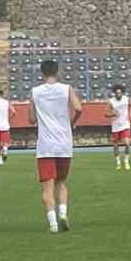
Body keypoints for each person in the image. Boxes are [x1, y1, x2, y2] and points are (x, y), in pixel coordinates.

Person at [31, 58, 82, 233]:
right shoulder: (66, 89)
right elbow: (79, 108)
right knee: (61, 182)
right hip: (64, 143)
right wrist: (72, 122)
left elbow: (31, 119)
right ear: (57, 72)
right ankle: (63, 213)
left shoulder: (35, 92)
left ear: (42, 73)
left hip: (45, 146)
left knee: (47, 185)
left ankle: (53, 224)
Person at [108, 83, 131, 171]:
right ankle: (118, 163)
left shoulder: (127, 99)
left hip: (125, 124)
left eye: (120, 93)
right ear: (114, 93)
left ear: (122, 93)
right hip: (115, 126)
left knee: (127, 143)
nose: (118, 94)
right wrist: (112, 114)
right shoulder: (111, 101)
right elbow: (106, 114)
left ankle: (126, 161)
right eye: (117, 93)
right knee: (115, 145)